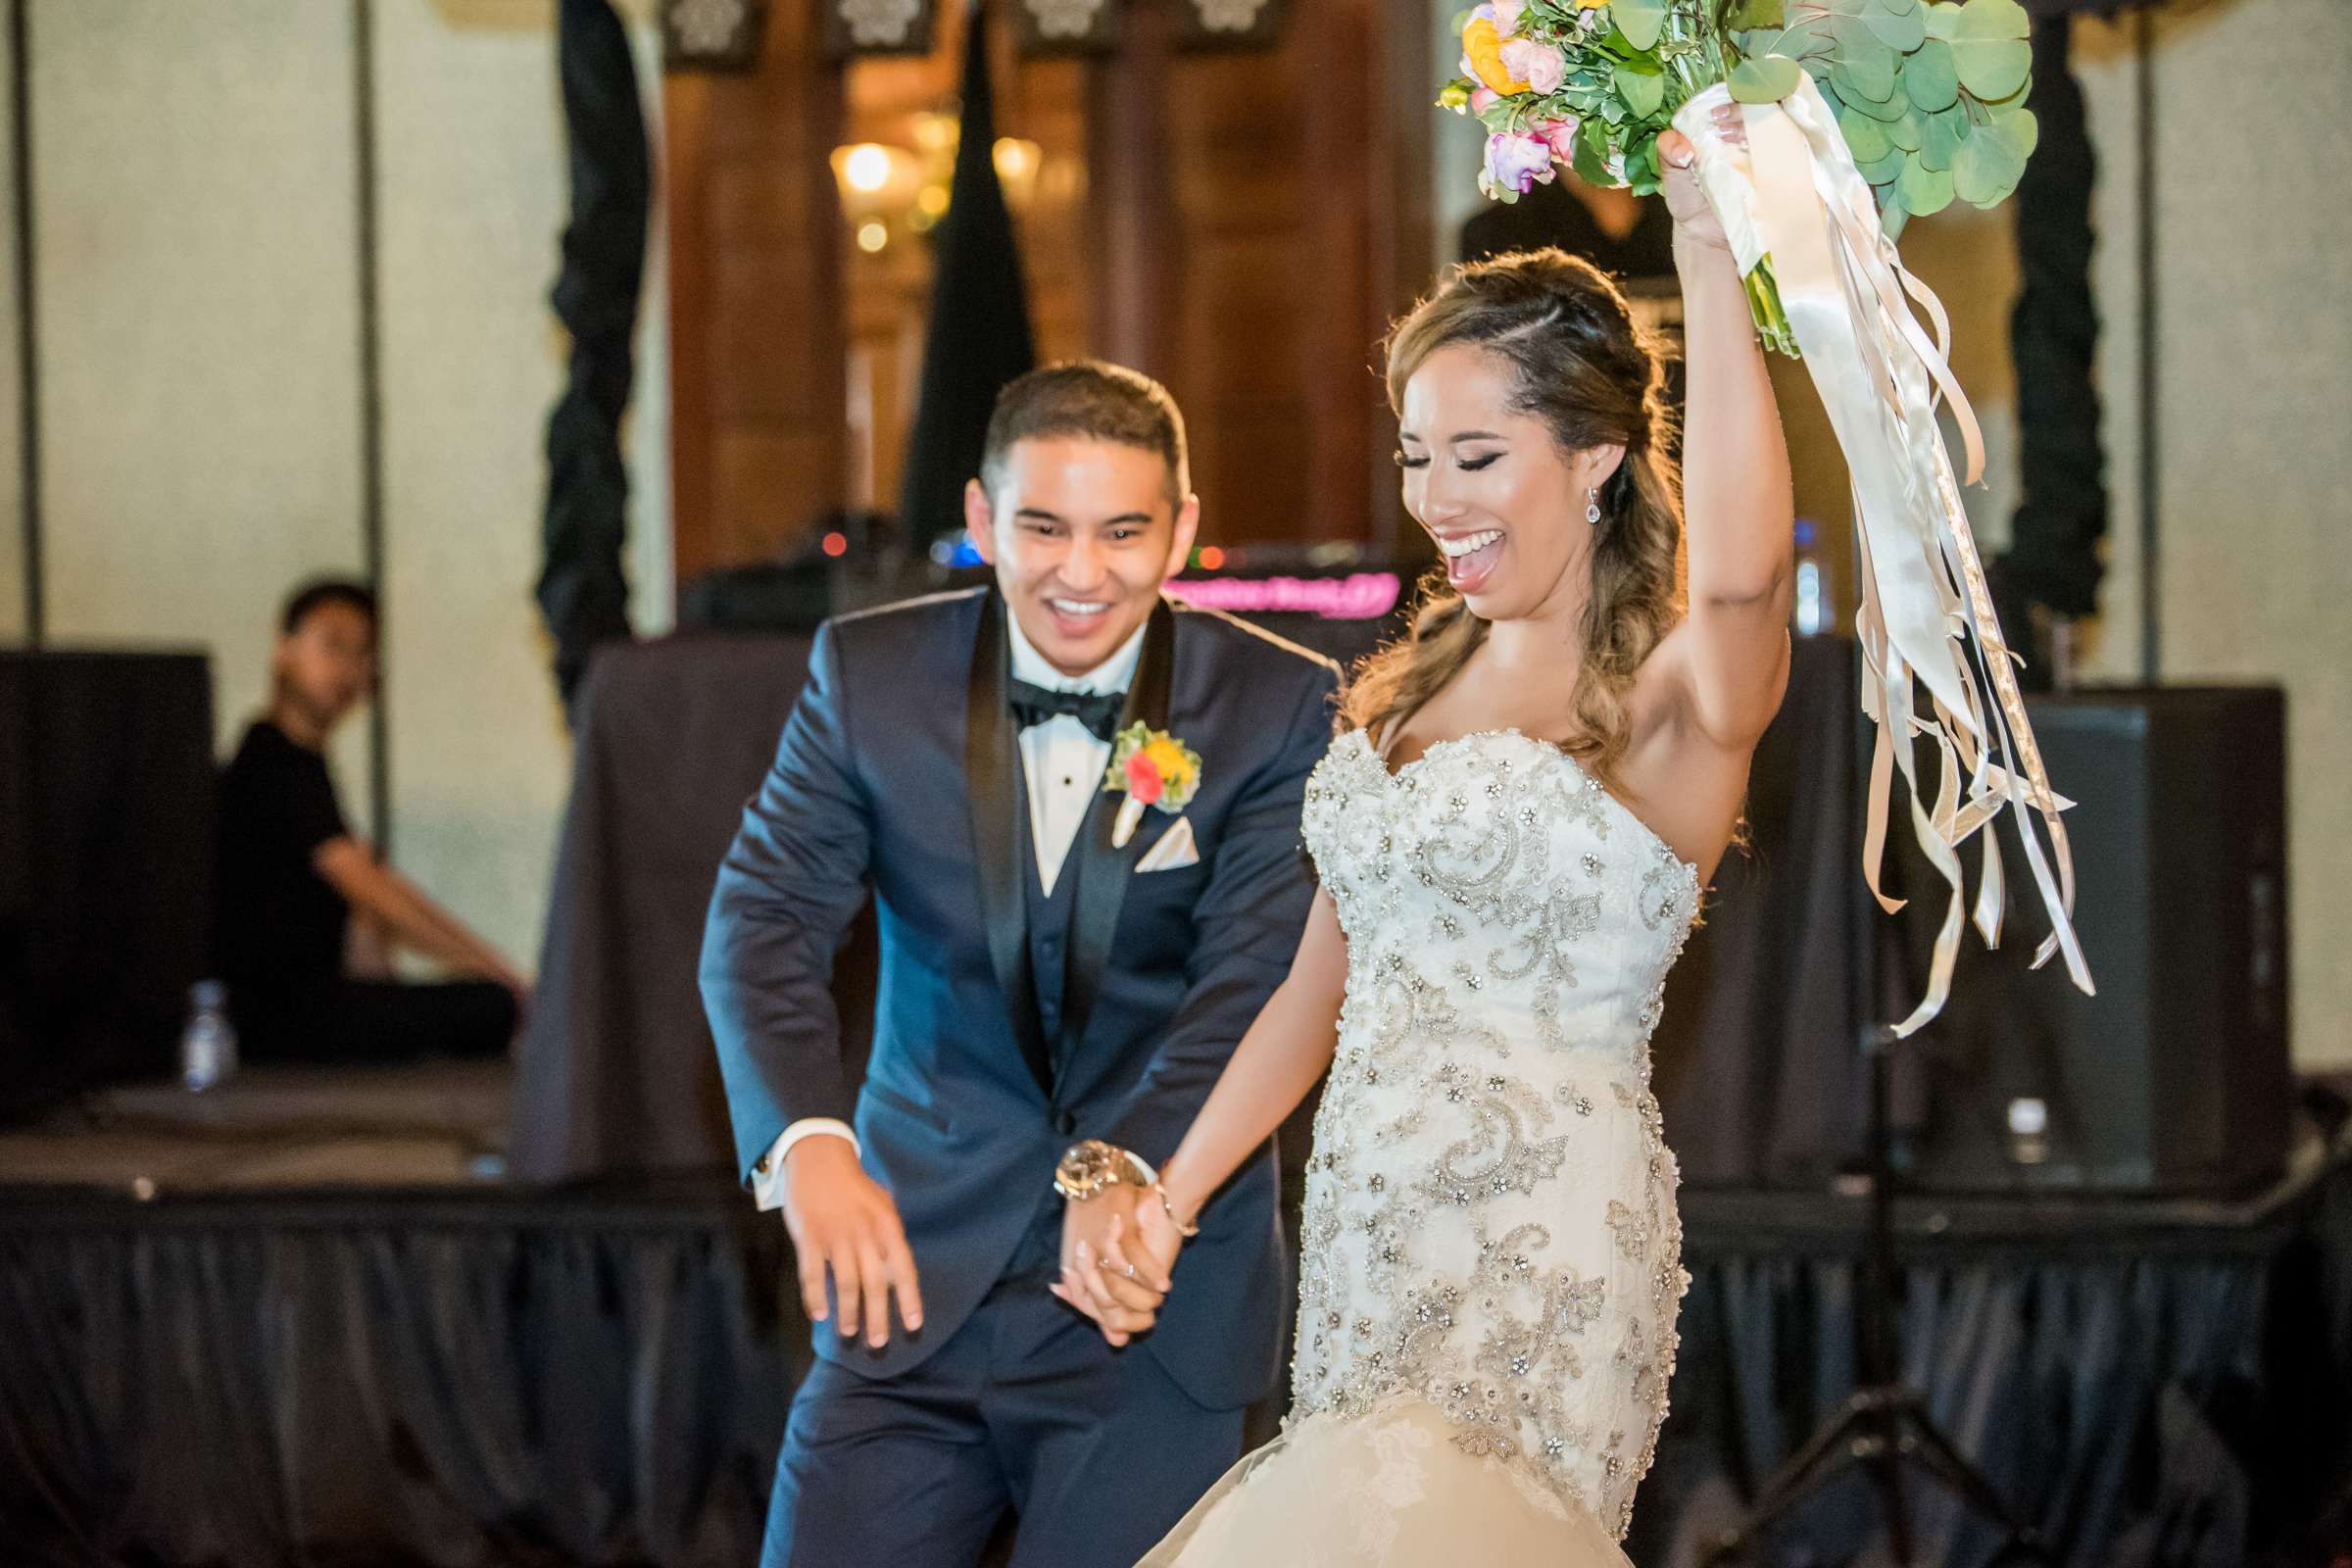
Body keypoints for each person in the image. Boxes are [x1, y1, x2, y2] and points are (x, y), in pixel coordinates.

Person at [1087, 110, 1793, 1564]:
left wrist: (1712, 252)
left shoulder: (1669, 698)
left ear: (1598, 454)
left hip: (1543, 1244)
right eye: (1418, 457)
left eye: (1477, 455)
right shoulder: (1403, 691)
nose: (1434, 503)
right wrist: (1174, 1192)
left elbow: (1741, 581)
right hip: (1364, 1234)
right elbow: (1316, 992)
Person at [700, 363, 1341, 1568]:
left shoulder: (1277, 703)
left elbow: (1250, 985)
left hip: (1153, 1300)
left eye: (1123, 532)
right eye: (1042, 527)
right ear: (984, 519)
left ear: (1183, 532)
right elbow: (764, 920)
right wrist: (810, 1148)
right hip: (908, 1276)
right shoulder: (867, 678)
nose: (1081, 574)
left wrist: (1130, 1169)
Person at [215, 579, 526, 1064]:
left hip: (313, 996)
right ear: (285, 649)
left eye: (362, 653)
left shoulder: (304, 762)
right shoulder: (270, 760)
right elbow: (372, 889)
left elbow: (364, 897)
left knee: (479, 1000)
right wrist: (497, 970)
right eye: (332, 644)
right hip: (274, 1013)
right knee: (492, 1005)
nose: (348, 667)